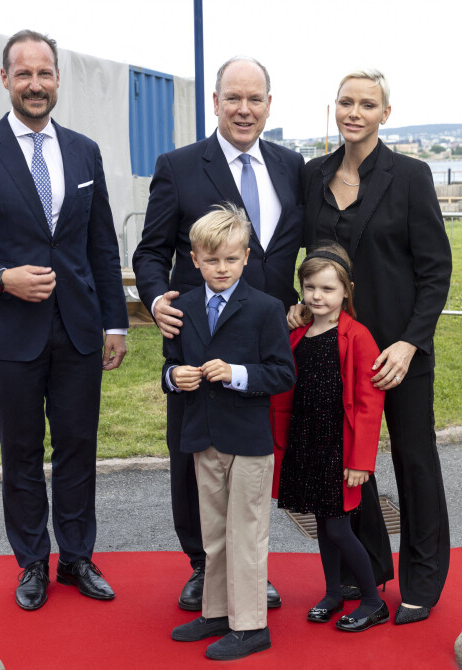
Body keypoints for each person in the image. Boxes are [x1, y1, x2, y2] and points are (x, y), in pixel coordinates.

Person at [0, 30, 129, 611]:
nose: (35, 84)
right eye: (24, 74)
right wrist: (0, 277)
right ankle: (33, 561)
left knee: (77, 446)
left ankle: (78, 557)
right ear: (5, 80)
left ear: (58, 78)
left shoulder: (84, 151)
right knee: (20, 451)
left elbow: (100, 246)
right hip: (9, 331)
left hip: (78, 329)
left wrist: (114, 322)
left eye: (45, 73)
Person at [132, 56, 304, 611]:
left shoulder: (290, 164)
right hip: (198, 336)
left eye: (255, 99)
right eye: (234, 97)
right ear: (215, 102)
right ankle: (203, 565)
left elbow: (288, 252)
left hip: (266, 338)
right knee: (194, 454)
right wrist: (157, 298)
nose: (244, 109)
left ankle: (248, 570)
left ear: (270, 104)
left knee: (255, 456)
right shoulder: (179, 166)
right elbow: (151, 250)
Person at [291, 69, 451, 624]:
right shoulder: (313, 176)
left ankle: (423, 583)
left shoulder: (411, 175)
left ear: (386, 113)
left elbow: (435, 271)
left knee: (414, 460)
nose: (353, 112)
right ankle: (370, 575)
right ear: (334, 108)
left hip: (398, 352)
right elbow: (310, 259)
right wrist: (300, 303)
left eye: (367, 104)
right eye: (345, 102)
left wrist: (409, 343)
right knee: (347, 469)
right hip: (335, 350)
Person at [165, 204, 295, 660]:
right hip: (204, 437)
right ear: (195, 259)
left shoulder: (266, 308)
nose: (222, 268)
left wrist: (237, 373)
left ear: (245, 258)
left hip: (249, 441)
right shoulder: (181, 306)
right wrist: (173, 376)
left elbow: (282, 373)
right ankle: (217, 612)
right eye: (212, 259)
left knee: (247, 533)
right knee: (214, 532)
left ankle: (251, 624)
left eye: (231, 259)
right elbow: (170, 362)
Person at [272, 244, 388, 632]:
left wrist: (361, 461)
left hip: (340, 448)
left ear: (346, 291)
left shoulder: (357, 336)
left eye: (327, 289)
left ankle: (372, 601)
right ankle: (334, 591)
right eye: (310, 288)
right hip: (307, 442)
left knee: (338, 527)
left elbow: (370, 403)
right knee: (323, 524)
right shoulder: (299, 333)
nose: (317, 296)